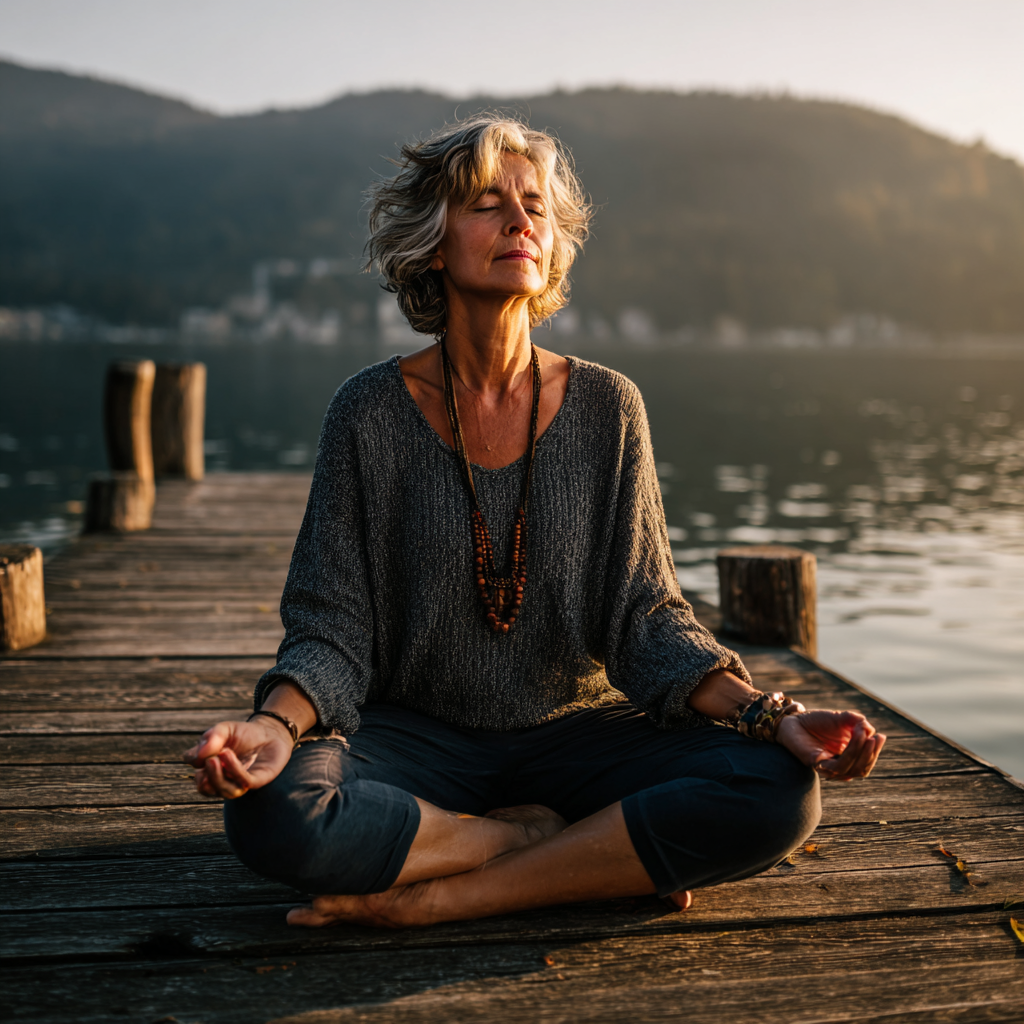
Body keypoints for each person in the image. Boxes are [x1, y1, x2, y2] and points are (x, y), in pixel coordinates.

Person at [185, 113, 885, 929]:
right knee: (273, 814)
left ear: (552, 245)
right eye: (488, 204)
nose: (520, 220)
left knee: (777, 790)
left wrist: (771, 715)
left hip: (582, 737)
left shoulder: (608, 407)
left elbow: (646, 618)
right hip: (418, 742)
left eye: (535, 207)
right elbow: (331, 626)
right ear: (433, 244)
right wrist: (274, 725)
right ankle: (539, 843)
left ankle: (451, 891)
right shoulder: (367, 413)